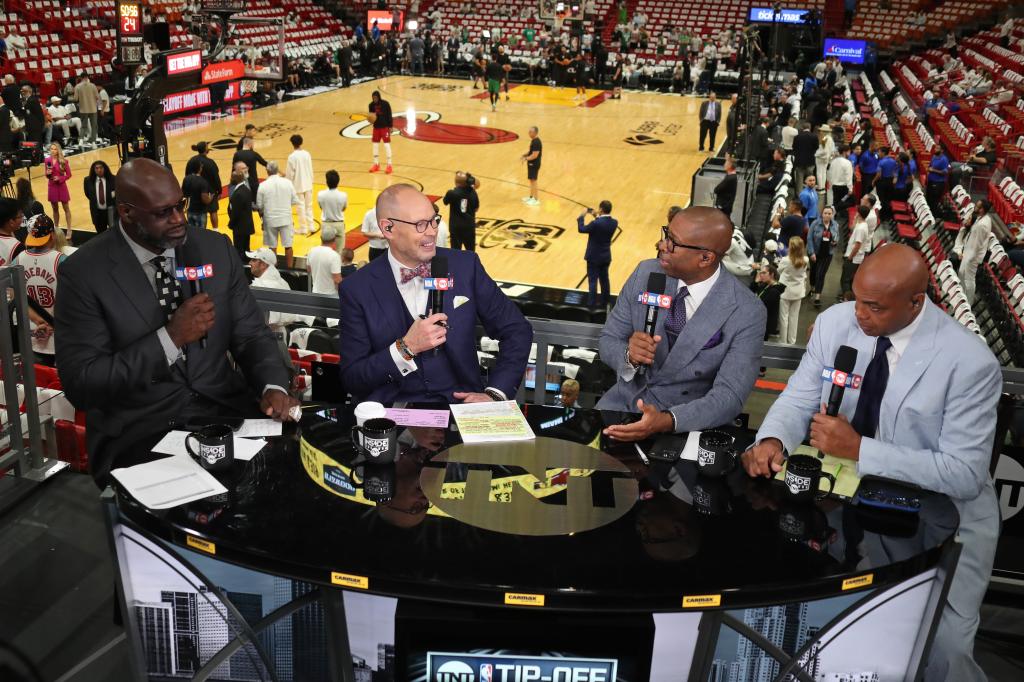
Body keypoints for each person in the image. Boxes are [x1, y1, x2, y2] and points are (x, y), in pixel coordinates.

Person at [741, 244, 1000, 682]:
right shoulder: (835, 323)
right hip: (849, 505)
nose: (859, 314)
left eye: (874, 307)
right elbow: (801, 395)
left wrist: (860, 449)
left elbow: (964, 472)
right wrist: (771, 437)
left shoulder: (969, 362)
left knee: (945, 650)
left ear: (916, 302)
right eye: (857, 298)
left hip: (941, 518)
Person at [55, 158, 298, 485]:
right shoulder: (84, 273)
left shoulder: (215, 249)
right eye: (163, 212)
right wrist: (169, 339)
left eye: (180, 205)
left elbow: (252, 336)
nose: (179, 219)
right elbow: (83, 385)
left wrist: (273, 386)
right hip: (140, 432)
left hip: (226, 414)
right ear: (127, 213)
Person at [337, 184, 532, 404]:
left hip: (461, 409)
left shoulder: (466, 267)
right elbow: (352, 378)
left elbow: (517, 329)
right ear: (388, 228)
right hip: (392, 417)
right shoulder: (356, 289)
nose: (432, 231)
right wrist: (405, 348)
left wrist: (495, 393)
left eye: (433, 220)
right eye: (420, 224)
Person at [596, 206, 766, 441]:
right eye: (666, 234)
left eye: (673, 242)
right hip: (620, 409)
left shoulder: (747, 311)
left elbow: (730, 396)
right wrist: (628, 356)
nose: (662, 244)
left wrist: (667, 420)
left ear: (705, 258)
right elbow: (608, 340)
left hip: (688, 429)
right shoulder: (645, 273)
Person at [16, 215, 64, 365]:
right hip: (60, 333)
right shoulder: (61, 260)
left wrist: (39, 321)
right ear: (53, 235)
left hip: (33, 332)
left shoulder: (19, 259)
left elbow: (13, 295)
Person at [255, 161, 300, 269]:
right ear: (277, 169)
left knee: (272, 247)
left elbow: (259, 206)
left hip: (270, 220)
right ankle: (290, 271)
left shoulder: (262, 185)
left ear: (267, 171)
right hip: (285, 218)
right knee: (288, 245)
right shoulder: (287, 183)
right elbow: (295, 200)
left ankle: (273, 270)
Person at [577, 201, 617, 308]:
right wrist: (597, 216)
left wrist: (581, 216)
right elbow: (601, 226)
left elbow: (581, 229)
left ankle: (591, 305)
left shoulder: (596, 223)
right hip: (605, 256)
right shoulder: (614, 222)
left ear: (601, 209)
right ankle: (606, 303)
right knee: (605, 281)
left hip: (593, 257)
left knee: (593, 281)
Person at [955, 200, 993, 306]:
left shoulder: (983, 225)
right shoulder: (982, 218)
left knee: (969, 279)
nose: (975, 207)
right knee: (961, 272)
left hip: (973, 255)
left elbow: (978, 245)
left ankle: (969, 303)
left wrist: (969, 258)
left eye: (978, 206)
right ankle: (961, 295)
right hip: (968, 250)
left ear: (982, 209)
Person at [776, 236, 808, 345]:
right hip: (798, 291)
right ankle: (792, 341)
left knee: (784, 318)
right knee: (794, 318)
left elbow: (778, 270)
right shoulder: (806, 259)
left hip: (786, 291)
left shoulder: (785, 260)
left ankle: (783, 341)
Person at [807, 206, 837, 308]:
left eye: (829, 213)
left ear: (832, 214)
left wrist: (835, 241)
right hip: (815, 253)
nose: (827, 215)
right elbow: (809, 238)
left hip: (827, 254)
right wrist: (811, 253)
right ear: (822, 214)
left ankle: (817, 297)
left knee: (821, 274)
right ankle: (812, 288)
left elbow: (837, 237)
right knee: (814, 272)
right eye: (825, 213)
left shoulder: (835, 225)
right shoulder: (815, 224)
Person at [442, 171, 481, 251]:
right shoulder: (473, 192)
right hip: (469, 226)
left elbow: (445, 202)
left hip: (456, 227)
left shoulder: (452, 193)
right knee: (470, 252)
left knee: (456, 252)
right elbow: (476, 208)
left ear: (456, 182)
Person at [189, 142, 223, 232]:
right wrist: (219, 191)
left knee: (198, 212)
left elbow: (187, 176)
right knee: (213, 211)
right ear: (205, 150)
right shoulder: (210, 162)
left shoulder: (192, 160)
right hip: (209, 191)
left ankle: (199, 232)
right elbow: (216, 177)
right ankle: (216, 231)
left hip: (196, 190)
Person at [841, 204, 871, 300]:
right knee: (848, 279)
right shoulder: (861, 224)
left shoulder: (861, 228)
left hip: (854, 258)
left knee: (845, 280)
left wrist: (850, 257)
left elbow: (857, 245)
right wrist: (855, 219)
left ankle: (846, 300)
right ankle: (846, 297)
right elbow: (852, 228)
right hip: (853, 256)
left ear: (859, 213)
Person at [286, 134, 314, 235]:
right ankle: (311, 226)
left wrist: (288, 184)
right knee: (309, 206)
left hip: (298, 185)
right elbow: (311, 168)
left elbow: (290, 173)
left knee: (300, 207)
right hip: (308, 183)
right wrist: (311, 180)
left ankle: (303, 228)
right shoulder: (307, 154)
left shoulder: (292, 157)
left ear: (292, 144)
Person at [44, 143, 72, 239]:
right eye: (51, 149)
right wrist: (47, 174)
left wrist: (60, 178)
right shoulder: (47, 160)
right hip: (52, 186)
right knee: (55, 209)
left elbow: (68, 175)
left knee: (66, 208)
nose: (52, 151)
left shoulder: (63, 161)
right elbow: (46, 174)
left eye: (55, 149)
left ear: (58, 150)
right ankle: (56, 228)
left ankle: (69, 229)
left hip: (61, 186)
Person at [750, 264, 783, 340]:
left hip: (765, 324)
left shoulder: (775, 290)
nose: (761, 275)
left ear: (772, 274)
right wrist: (755, 282)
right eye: (760, 272)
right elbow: (750, 293)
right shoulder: (765, 285)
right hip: (760, 321)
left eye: (764, 273)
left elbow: (760, 304)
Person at [227, 169, 254, 261]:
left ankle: (241, 269)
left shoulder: (239, 193)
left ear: (236, 179)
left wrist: (231, 223)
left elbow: (236, 212)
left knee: (239, 251)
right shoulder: (245, 189)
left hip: (239, 226)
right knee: (246, 249)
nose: (230, 178)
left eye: (232, 176)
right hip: (246, 225)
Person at [307, 225, 343, 296]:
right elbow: (337, 280)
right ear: (334, 239)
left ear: (321, 238)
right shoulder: (334, 256)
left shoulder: (311, 251)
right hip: (331, 295)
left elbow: (309, 269)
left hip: (315, 292)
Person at [84, 161, 116, 234]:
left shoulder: (113, 179)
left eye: (101, 167)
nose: (99, 170)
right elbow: (88, 194)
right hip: (97, 213)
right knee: (101, 234)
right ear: (93, 170)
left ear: (105, 168)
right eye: (96, 168)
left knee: (114, 232)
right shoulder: (88, 180)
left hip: (110, 211)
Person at [368, 91, 394, 174]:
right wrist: (370, 119)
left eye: (375, 98)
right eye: (373, 98)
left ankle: (389, 165)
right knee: (375, 145)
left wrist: (390, 126)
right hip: (376, 128)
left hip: (385, 127)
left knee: (386, 145)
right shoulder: (371, 105)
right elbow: (371, 117)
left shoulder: (385, 104)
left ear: (379, 97)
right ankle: (376, 164)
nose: (374, 99)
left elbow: (389, 115)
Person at [318, 169, 348, 240]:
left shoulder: (320, 194)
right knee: (340, 250)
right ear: (338, 181)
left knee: (326, 249)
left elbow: (321, 207)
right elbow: (343, 209)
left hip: (326, 224)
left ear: (327, 181)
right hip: (339, 224)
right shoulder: (343, 195)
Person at [827, 144, 854, 212]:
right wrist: (850, 188)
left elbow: (830, 174)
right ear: (845, 152)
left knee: (836, 201)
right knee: (851, 201)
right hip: (843, 186)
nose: (849, 154)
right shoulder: (847, 163)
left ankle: (834, 213)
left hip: (835, 185)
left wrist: (831, 184)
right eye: (849, 152)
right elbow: (848, 177)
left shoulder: (833, 161)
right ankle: (834, 210)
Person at [925, 144, 950, 215]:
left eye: (937, 148)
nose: (935, 149)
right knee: (928, 199)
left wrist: (933, 170)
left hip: (938, 183)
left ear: (942, 150)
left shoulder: (944, 159)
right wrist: (929, 170)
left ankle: (933, 217)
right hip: (930, 181)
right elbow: (930, 166)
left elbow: (945, 172)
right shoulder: (934, 156)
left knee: (934, 202)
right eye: (935, 148)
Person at [521, 126, 542, 206]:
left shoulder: (537, 142)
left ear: (535, 133)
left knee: (534, 181)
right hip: (531, 163)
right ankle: (531, 197)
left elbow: (535, 155)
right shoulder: (534, 141)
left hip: (534, 163)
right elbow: (531, 152)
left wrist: (526, 158)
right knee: (531, 180)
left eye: (530, 132)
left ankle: (536, 199)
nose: (529, 133)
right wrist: (525, 155)